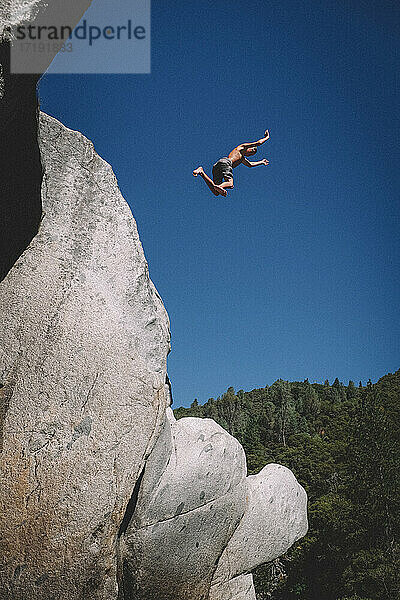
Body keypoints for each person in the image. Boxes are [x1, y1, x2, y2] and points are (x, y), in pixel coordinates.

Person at [193, 129, 270, 197]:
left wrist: (261, 162)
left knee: (216, 192)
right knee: (230, 183)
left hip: (218, 166)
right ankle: (220, 187)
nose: (251, 154)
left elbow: (250, 165)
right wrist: (266, 138)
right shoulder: (241, 148)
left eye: (252, 154)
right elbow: (258, 143)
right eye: (252, 151)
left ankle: (201, 172)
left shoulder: (242, 158)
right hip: (226, 162)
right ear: (249, 148)